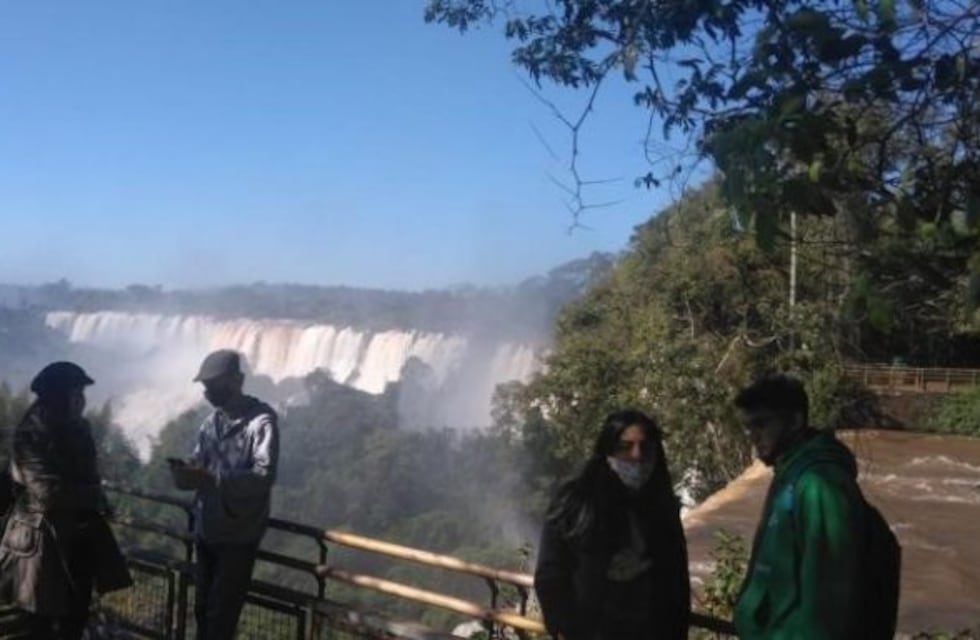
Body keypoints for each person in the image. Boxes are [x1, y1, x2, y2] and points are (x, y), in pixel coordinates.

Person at [0, 361, 131, 639]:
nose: (81, 401)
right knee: (41, 622)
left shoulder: (78, 429)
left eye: (81, 393)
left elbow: (86, 478)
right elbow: (48, 493)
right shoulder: (30, 434)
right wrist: (93, 495)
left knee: (76, 616)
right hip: (41, 541)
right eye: (75, 394)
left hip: (79, 539)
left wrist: (91, 496)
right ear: (56, 397)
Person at [534, 409, 690, 640]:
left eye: (645, 447)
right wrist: (561, 625)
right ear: (607, 452)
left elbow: (677, 578)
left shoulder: (662, 506)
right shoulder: (576, 502)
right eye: (625, 447)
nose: (637, 456)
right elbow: (550, 570)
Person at [732, 374, 865, 639]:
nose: (753, 436)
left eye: (762, 424)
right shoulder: (790, 473)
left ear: (795, 421)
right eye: (749, 427)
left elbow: (827, 597)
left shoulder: (818, 484)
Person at [170, 349, 279, 640]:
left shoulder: (261, 423)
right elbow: (199, 463)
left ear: (238, 380)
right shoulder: (211, 424)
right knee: (203, 610)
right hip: (207, 530)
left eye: (214, 385)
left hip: (238, 538)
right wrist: (186, 473)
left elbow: (263, 476)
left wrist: (212, 477)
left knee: (222, 617)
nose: (208, 392)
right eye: (206, 387)